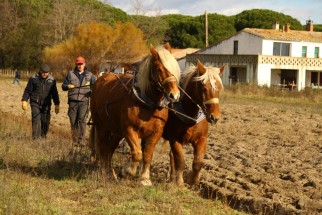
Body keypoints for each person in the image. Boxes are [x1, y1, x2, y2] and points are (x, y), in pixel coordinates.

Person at [62, 56, 96, 145]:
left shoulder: (90, 75)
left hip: (84, 102)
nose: (80, 66)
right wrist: (67, 86)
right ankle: (75, 140)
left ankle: (81, 140)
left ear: (84, 64)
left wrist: (92, 91)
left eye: (81, 64)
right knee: (73, 121)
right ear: (76, 64)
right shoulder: (70, 74)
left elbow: (95, 87)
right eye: (78, 64)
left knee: (82, 120)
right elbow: (63, 86)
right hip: (72, 101)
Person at [21, 64, 60, 139]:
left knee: (45, 121)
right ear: (40, 71)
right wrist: (24, 100)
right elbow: (28, 90)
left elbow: (55, 93)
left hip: (46, 104)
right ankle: (36, 138)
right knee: (36, 120)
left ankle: (43, 136)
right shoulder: (33, 78)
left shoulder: (52, 80)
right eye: (43, 72)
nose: (45, 74)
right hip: (35, 103)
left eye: (47, 72)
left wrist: (57, 104)